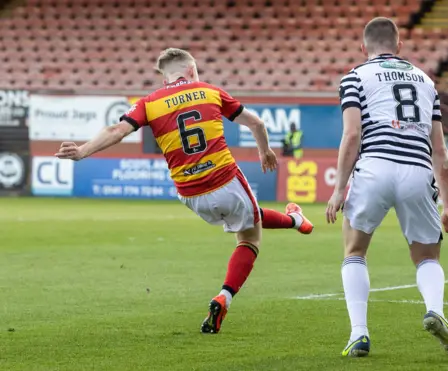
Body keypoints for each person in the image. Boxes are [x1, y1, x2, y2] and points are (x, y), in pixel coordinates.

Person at [55, 48, 314, 334]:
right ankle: (223, 297)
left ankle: (296, 221)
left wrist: (81, 151)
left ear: (165, 76)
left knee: (246, 213)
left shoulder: (149, 103)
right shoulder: (210, 91)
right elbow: (257, 123)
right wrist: (264, 152)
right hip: (224, 178)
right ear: (190, 70)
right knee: (250, 238)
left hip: (190, 194)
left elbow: (116, 131)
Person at [325, 17, 448, 360]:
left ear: (364, 47)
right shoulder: (425, 81)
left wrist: (338, 188)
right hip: (418, 171)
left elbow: (352, 135)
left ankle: (359, 334)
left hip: (375, 165)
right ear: (399, 46)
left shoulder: (355, 76)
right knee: (427, 256)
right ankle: (436, 311)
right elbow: (440, 151)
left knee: (355, 251)